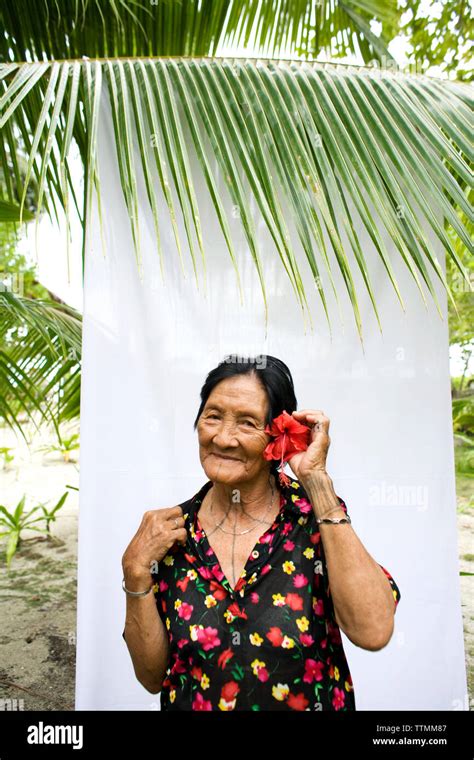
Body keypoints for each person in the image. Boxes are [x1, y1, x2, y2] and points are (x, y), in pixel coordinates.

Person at [121, 355, 401, 711]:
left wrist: (318, 484)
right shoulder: (169, 533)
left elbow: (374, 632)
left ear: (276, 436)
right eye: (213, 416)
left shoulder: (315, 517)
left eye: (247, 423)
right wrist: (134, 570)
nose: (223, 438)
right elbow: (151, 677)